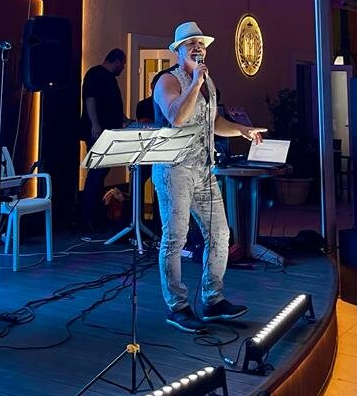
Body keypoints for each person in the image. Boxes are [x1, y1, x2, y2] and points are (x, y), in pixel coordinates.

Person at [153, 21, 267, 332]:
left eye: (201, 43)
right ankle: (177, 307)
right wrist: (194, 83)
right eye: (191, 43)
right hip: (174, 170)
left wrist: (242, 130)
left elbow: (214, 122)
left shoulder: (208, 82)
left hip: (204, 170)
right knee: (175, 238)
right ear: (178, 51)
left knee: (220, 234)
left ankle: (212, 300)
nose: (198, 47)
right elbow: (177, 117)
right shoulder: (167, 81)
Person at [79, 48, 128, 229]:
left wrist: (124, 120)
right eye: (123, 64)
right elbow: (90, 99)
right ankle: (88, 218)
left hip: (108, 131)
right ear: (117, 61)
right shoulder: (95, 74)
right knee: (96, 173)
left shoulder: (109, 78)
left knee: (100, 174)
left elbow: (112, 105)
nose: (123, 68)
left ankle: (96, 216)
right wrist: (95, 124)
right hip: (99, 132)